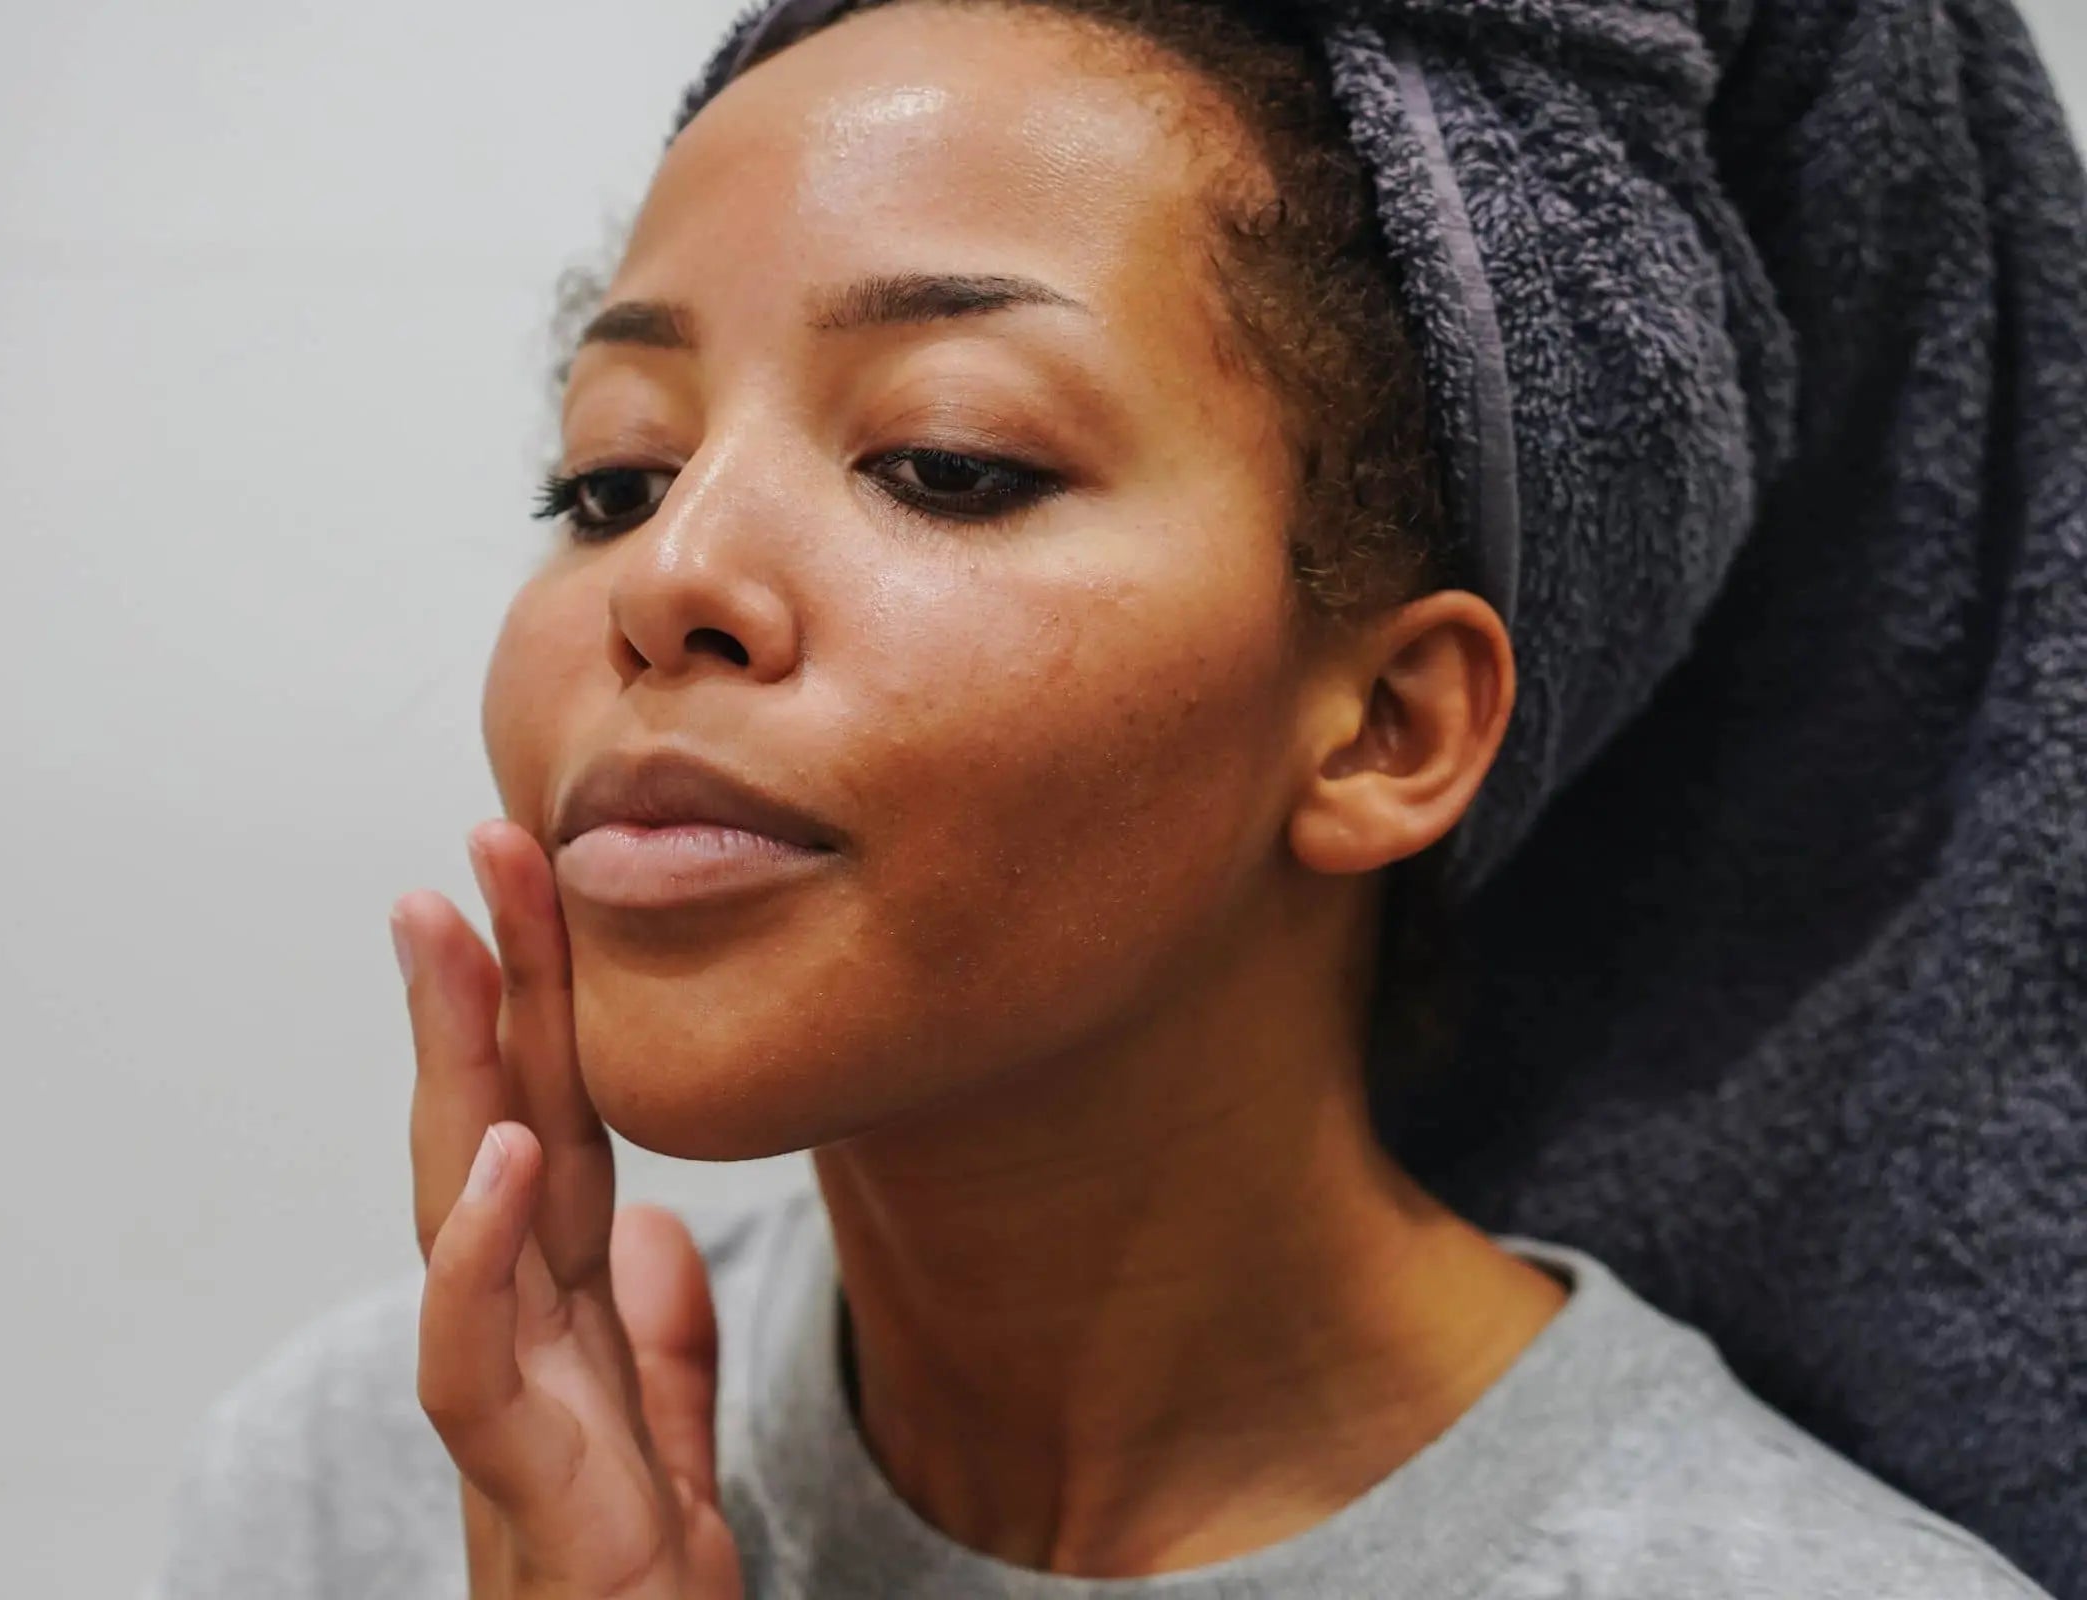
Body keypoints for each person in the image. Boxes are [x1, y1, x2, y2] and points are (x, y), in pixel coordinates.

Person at [152, 2, 2062, 1596]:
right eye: (613, 481)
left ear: (1390, 724)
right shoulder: (394, 1488)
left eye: (945, 460)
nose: (664, 581)